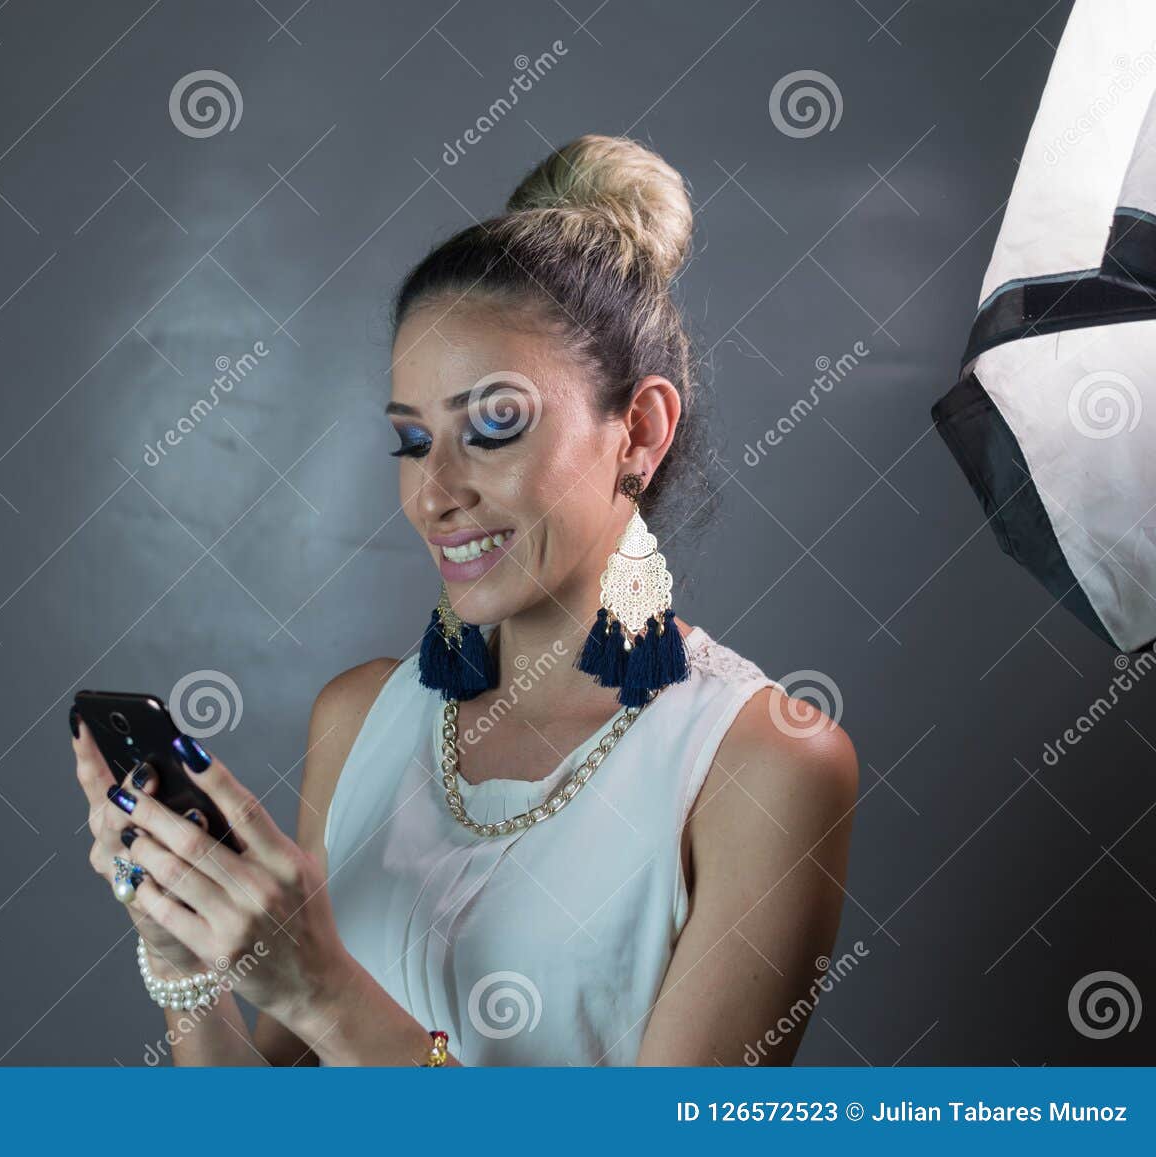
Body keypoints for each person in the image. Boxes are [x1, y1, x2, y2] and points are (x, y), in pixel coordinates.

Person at [73, 134, 859, 1066]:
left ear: (638, 430)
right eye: (413, 440)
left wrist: (324, 990)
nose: (434, 491)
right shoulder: (359, 717)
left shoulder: (766, 762)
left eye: (494, 424)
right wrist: (186, 963)